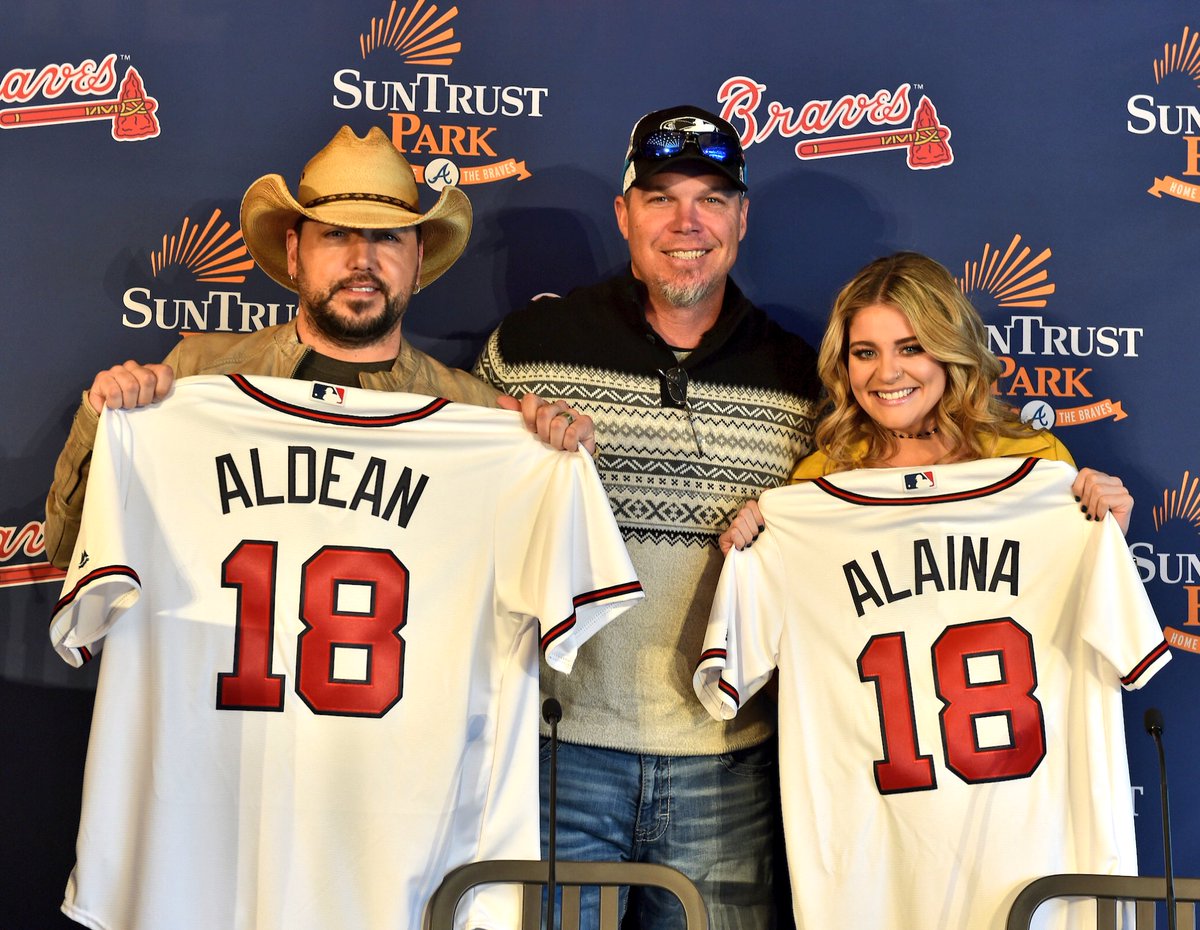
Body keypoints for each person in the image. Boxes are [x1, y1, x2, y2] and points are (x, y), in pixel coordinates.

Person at [474, 105, 821, 929]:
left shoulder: (802, 373)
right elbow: (455, 518)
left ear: (741, 217)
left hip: (730, 770)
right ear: (625, 214)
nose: (687, 222)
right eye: (661, 198)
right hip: (562, 756)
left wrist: (1059, 483)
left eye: (711, 197)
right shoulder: (529, 345)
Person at [44, 124, 592, 570]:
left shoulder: (476, 415)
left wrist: (562, 472)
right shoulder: (194, 377)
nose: (363, 260)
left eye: (389, 237)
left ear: (418, 258)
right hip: (221, 708)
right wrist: (103, 422)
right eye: (335, 233)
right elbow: (71, 555)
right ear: (292, 251)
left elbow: (547, 590)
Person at [720, 250, 1134, 554]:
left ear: (949, 350)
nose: (886, 373)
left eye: (911, 348)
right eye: (865, 352)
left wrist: (1107, 539)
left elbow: (1087, 620)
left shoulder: (1037, 461)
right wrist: (753, 556)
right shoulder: (816, 485)